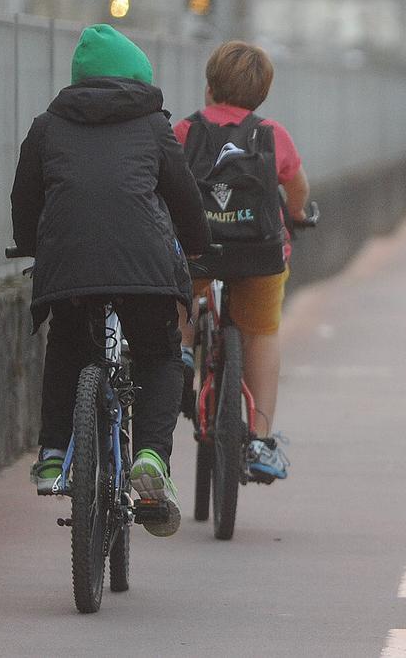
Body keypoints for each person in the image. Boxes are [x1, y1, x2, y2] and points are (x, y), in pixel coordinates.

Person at [11, 24, 211, 537]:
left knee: (66, 346)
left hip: (69, 267)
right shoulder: (153, 126)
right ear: (138, 77)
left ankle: (53, 453)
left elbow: (25, 198)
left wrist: (32, 243)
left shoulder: (47, 126)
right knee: (160, 354)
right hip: (144, 269)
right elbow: (184, 195)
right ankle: (150, 456)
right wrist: (196, 244)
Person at [173, 40, 310, 482]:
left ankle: (181, 353)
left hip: (198, 249)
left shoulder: (186, 131)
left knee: (180, 294)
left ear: (209, 87)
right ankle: (260, 439)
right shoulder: (272, 133)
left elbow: (166, 184)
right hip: (259, 253)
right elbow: (297, 187)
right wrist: (297, 214)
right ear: (262, 94)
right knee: (262, 332)